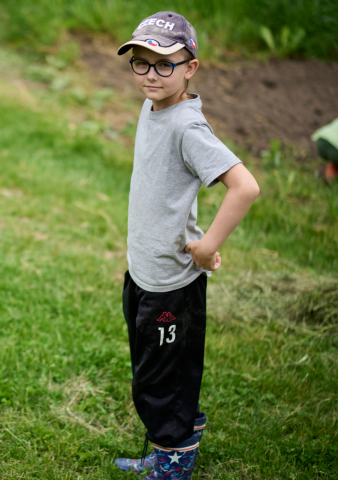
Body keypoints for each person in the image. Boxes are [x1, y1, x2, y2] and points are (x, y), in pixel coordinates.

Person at [112, 12, 260, 479]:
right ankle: (164, 450)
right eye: (141, 63)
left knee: (165, 382)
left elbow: (245, 187)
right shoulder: (153, 106)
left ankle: (174, 464)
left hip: (172, 287)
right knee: (152, 373)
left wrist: (208, 245)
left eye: (164, 64)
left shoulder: (188, 128)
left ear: (190, 67)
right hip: (144, 272)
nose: (150, 75)